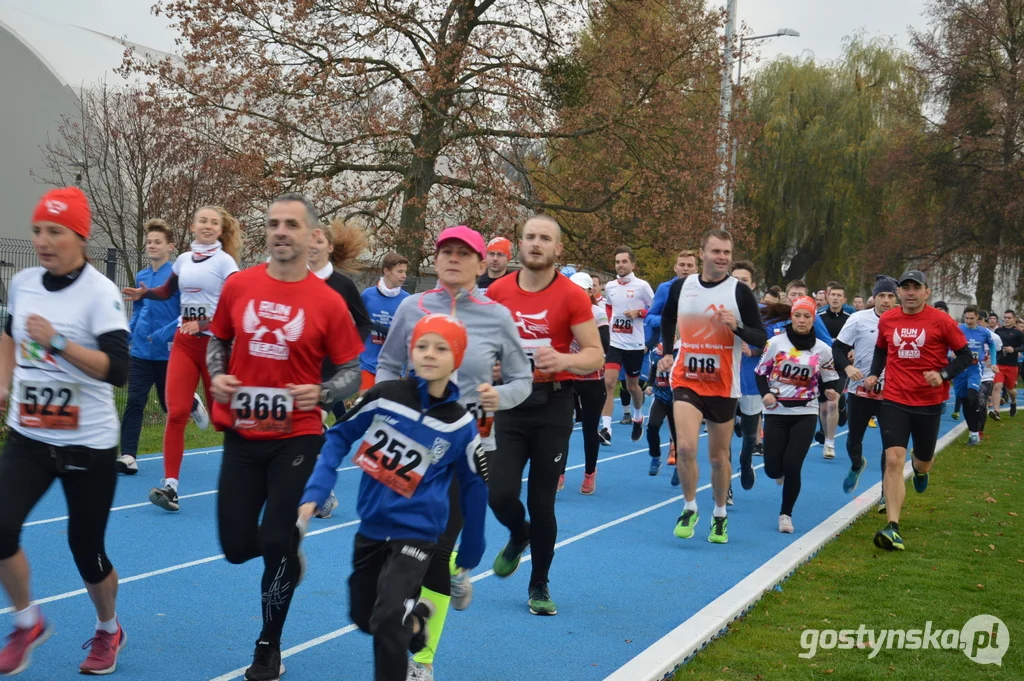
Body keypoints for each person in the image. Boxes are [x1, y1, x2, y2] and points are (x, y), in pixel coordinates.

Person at [206, 193, 363, 681]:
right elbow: (219, 339)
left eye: (290, 224)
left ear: (312, 235)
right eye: (273, 223)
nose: (280, 231)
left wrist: (318, 392)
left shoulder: (328, 302)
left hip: (298, 437)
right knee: (235, 546)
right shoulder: (239, 285)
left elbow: (352, 373)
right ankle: (287, 555)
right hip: (243, 432)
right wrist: (217, 375)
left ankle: (267, 647)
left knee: (275, 536)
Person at [375, 225, 531, 679]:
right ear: (435, 258)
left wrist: (499, 397)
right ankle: (440, 592)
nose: (454, 259)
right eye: (447, 251)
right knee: (399, 551)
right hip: (409, 448)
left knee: (437, 552)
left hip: (469, 451)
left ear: (482, 264)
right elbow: (386, 363)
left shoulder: (497, 316)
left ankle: (421, 660)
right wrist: (391, 402)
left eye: (465, 253)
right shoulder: (412, 307)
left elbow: (522, 377)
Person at [299, 314, 488, 681]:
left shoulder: (460, 425)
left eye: (441, 348)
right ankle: (416, 624)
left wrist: (472, 547)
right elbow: (338, 436)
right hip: (371, 527)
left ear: (458, 358)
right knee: (364, 617)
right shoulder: (385, 396)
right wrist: (316, 491)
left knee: (387, 623)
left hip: (418, 534)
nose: (429, 354)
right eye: (421, 346)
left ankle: (403, 632)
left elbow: (475, 486)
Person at [0, 187, 130, 675]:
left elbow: (117, 370)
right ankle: (27, 621)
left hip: (87, 444)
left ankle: (107, 628)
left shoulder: (101, 292)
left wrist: (56, 342)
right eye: (37, 230)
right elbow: (10, 336)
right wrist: (3, 382)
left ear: (79, 235)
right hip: (29, 435)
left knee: (87, 550)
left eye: (54, 231)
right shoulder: (24, 282)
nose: (42, 241)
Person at [486, 214, 603, 615]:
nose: (536, 243)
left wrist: (563, 358)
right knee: (498, 493)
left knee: (541, 501)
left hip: (553, 403)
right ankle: (519, 536)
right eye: (530, 237)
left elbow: (595, 355)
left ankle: (539, 585)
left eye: (545, 238)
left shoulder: (572, 295)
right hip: (509, 405)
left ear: (558, 249)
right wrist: (491, 364)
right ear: (520, 244)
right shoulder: (498, 291)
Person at [122, 205, 242, 512]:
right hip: (185, 345)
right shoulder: (185, 260)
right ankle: (170, 487)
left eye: (213, 222)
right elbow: (166, 292)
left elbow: (235, 308)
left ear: (219, 229)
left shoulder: (225, 263)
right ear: (193, 226)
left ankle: (250, 474)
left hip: (215, 347)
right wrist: (143, 294)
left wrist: (203, 324)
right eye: (202, 220)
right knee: (175, 412)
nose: (207, 226)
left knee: (221, 419)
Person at [660, 229, 767, 544]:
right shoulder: (682, 286)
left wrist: (738, 327)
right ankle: (690, 506)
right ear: (702, 253)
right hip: (686, 379)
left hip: (722, 384)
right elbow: (667, 318)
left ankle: (719, 514)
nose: (722, 257)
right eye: (716, 251)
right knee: (688, 447)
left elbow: (760, 337)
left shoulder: (740, 292)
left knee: (719, 458)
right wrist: (668, 351)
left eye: (727, 253)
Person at [864, 270, 972, 551]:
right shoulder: (888, 319)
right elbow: (881, 350)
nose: (910, 292)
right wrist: (875, 374)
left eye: (916, 287)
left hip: (929, 401)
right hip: (895, 399)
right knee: (893, 459)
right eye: (905, 288)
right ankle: (893, 526)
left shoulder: (942, 321)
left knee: (922, 461)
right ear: (899, 292)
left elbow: (965, 356)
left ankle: (922, 471)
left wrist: (944, 374)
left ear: (927, 292)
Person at [117, 219, 208, 475]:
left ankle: (191, 403)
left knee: (170, 405)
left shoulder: (177, 277)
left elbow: (184, 314)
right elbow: (138, 310)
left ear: (170, 246)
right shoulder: (143, 276)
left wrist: (162, 335)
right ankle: (128, 456)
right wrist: (129, 334)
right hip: (140, 353)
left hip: (169, 351)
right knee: (135, 401)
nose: (152, 246)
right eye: (149, 242)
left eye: (158, 242)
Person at [756, 296, 840, 533]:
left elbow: (830, 379)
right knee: (773, 469)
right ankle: (778, 472)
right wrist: (766, 394)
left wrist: (831, 392)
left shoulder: (822, 350)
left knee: (793, 465)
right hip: (776, 411)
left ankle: (786, 513)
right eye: (797, 315)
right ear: (791, 317)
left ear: (813, 320)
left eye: (807, 316)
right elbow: (760, 373)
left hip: (806, 411)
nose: (802, 320)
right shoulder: (775, 343)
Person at [832, 276, 898, 496]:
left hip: (891, 392)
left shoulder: (903, 321)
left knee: (889, 447)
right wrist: (848, 369)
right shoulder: (859, 319)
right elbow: (837, 349)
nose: (886, 301)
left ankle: (884, 492)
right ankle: (856, 464)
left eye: (890, 296)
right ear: (874, 297)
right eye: (882, 296)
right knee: (853, 440)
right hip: (860, 390)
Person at [639, 249, 698, 454]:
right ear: (675, 267)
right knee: (671, 401)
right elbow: (650, 317)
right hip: (671, 349)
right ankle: (675, 447)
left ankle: (679, 445)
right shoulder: (665, 288)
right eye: (682, 265)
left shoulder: (704, 289)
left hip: (696, 350)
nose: (686, 269)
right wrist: (670, 323)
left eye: (690, 265)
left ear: (696, 268)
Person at [601, 246, 654, 443]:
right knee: (608, 382)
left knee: (632, 386)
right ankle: (606, 429)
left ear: (632, 264)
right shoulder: (610, 287)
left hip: (634, 345)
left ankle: (638, 416)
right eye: (617, 262)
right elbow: (608, 305)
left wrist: (639, 313)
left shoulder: (642, 286)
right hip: (615, 342)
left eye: (624, 261)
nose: (620, 265)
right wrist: (610, 322)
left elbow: (656, 310)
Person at [563, 271, 609, 494]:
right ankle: (559, 472)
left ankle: (589, 473)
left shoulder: (598, 314)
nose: (576, 295)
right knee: (561, 427)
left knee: (589, 430)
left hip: (592, 378)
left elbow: (605, 347)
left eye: (582, 290)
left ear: (590, 292)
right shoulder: (562, 312)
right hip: (568, 378)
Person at [359, 252, 410, 393]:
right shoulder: (367, 295)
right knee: (365, 403)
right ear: (386, 271)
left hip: (394, 367)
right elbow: (358, 325)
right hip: (368, 363)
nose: (404, 275)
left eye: (405, 271)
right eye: (400, 271)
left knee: (386, 407)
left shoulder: (407, 301)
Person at [816, 283, 851, 459]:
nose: (836, 298)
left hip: (840, 366)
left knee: (832, 402)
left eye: (839, 295)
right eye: (833, 295)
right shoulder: (818, 317)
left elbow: (857, 338)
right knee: (823, 409)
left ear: (844, 299)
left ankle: (829, 444)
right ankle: (839, 410)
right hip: (822, 366)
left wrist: (853, 350)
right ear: (828, 297)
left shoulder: (851, 317)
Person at [954, 305, 997, 446]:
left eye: (972, 318)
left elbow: (992, 346)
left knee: (973, 397)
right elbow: (948, 346)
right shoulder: (959, 330)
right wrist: (951, 354)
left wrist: (994, 362)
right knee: (965, 402)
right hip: (960, 370)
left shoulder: (984, 332)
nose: (969, 321)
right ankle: (973, 432)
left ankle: (978, 429)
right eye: (967, 318)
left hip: (974, 369)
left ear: (977, 317)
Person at [990, 309, 1024, 420]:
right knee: (997, 386)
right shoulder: (998, 331)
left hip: (1012, 365)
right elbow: (992, 344)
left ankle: (1013, 402)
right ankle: (996, 411)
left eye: (1009, 318)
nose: (1007, 320)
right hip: (999, 364)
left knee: (1011, 390)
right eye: (1005, 317)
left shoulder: (1018, 333)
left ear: (1014, 319)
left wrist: (1013, 350)